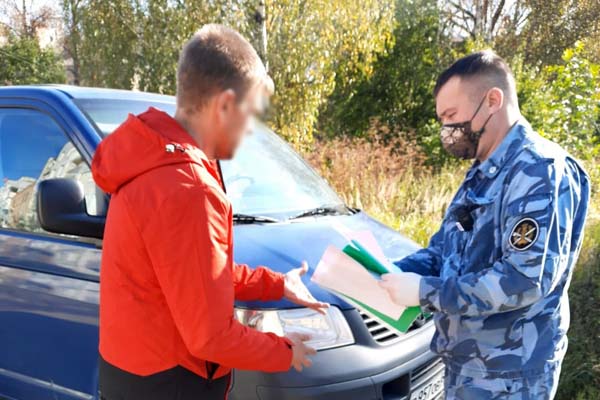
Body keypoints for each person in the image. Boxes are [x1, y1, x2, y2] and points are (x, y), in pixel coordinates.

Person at [92, 24, 329, 400]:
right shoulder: (190, 189)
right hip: (172, 384)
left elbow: (197, 276)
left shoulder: (150, 162)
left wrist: (276, 283)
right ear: (225, 106)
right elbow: (210, 336)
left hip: (131, 376)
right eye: (252, 114)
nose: (252, 130)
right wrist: (284, 351)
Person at [378, 50, 590, 399]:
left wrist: (424, 291)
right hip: (468, 364)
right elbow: (444, 252)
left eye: (452, 116)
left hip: (509, 374)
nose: (447, 130)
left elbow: (523, 279)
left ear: (493, 100)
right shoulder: (483, 171)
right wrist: (384, 273)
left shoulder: (538, 170)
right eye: (442, 119)